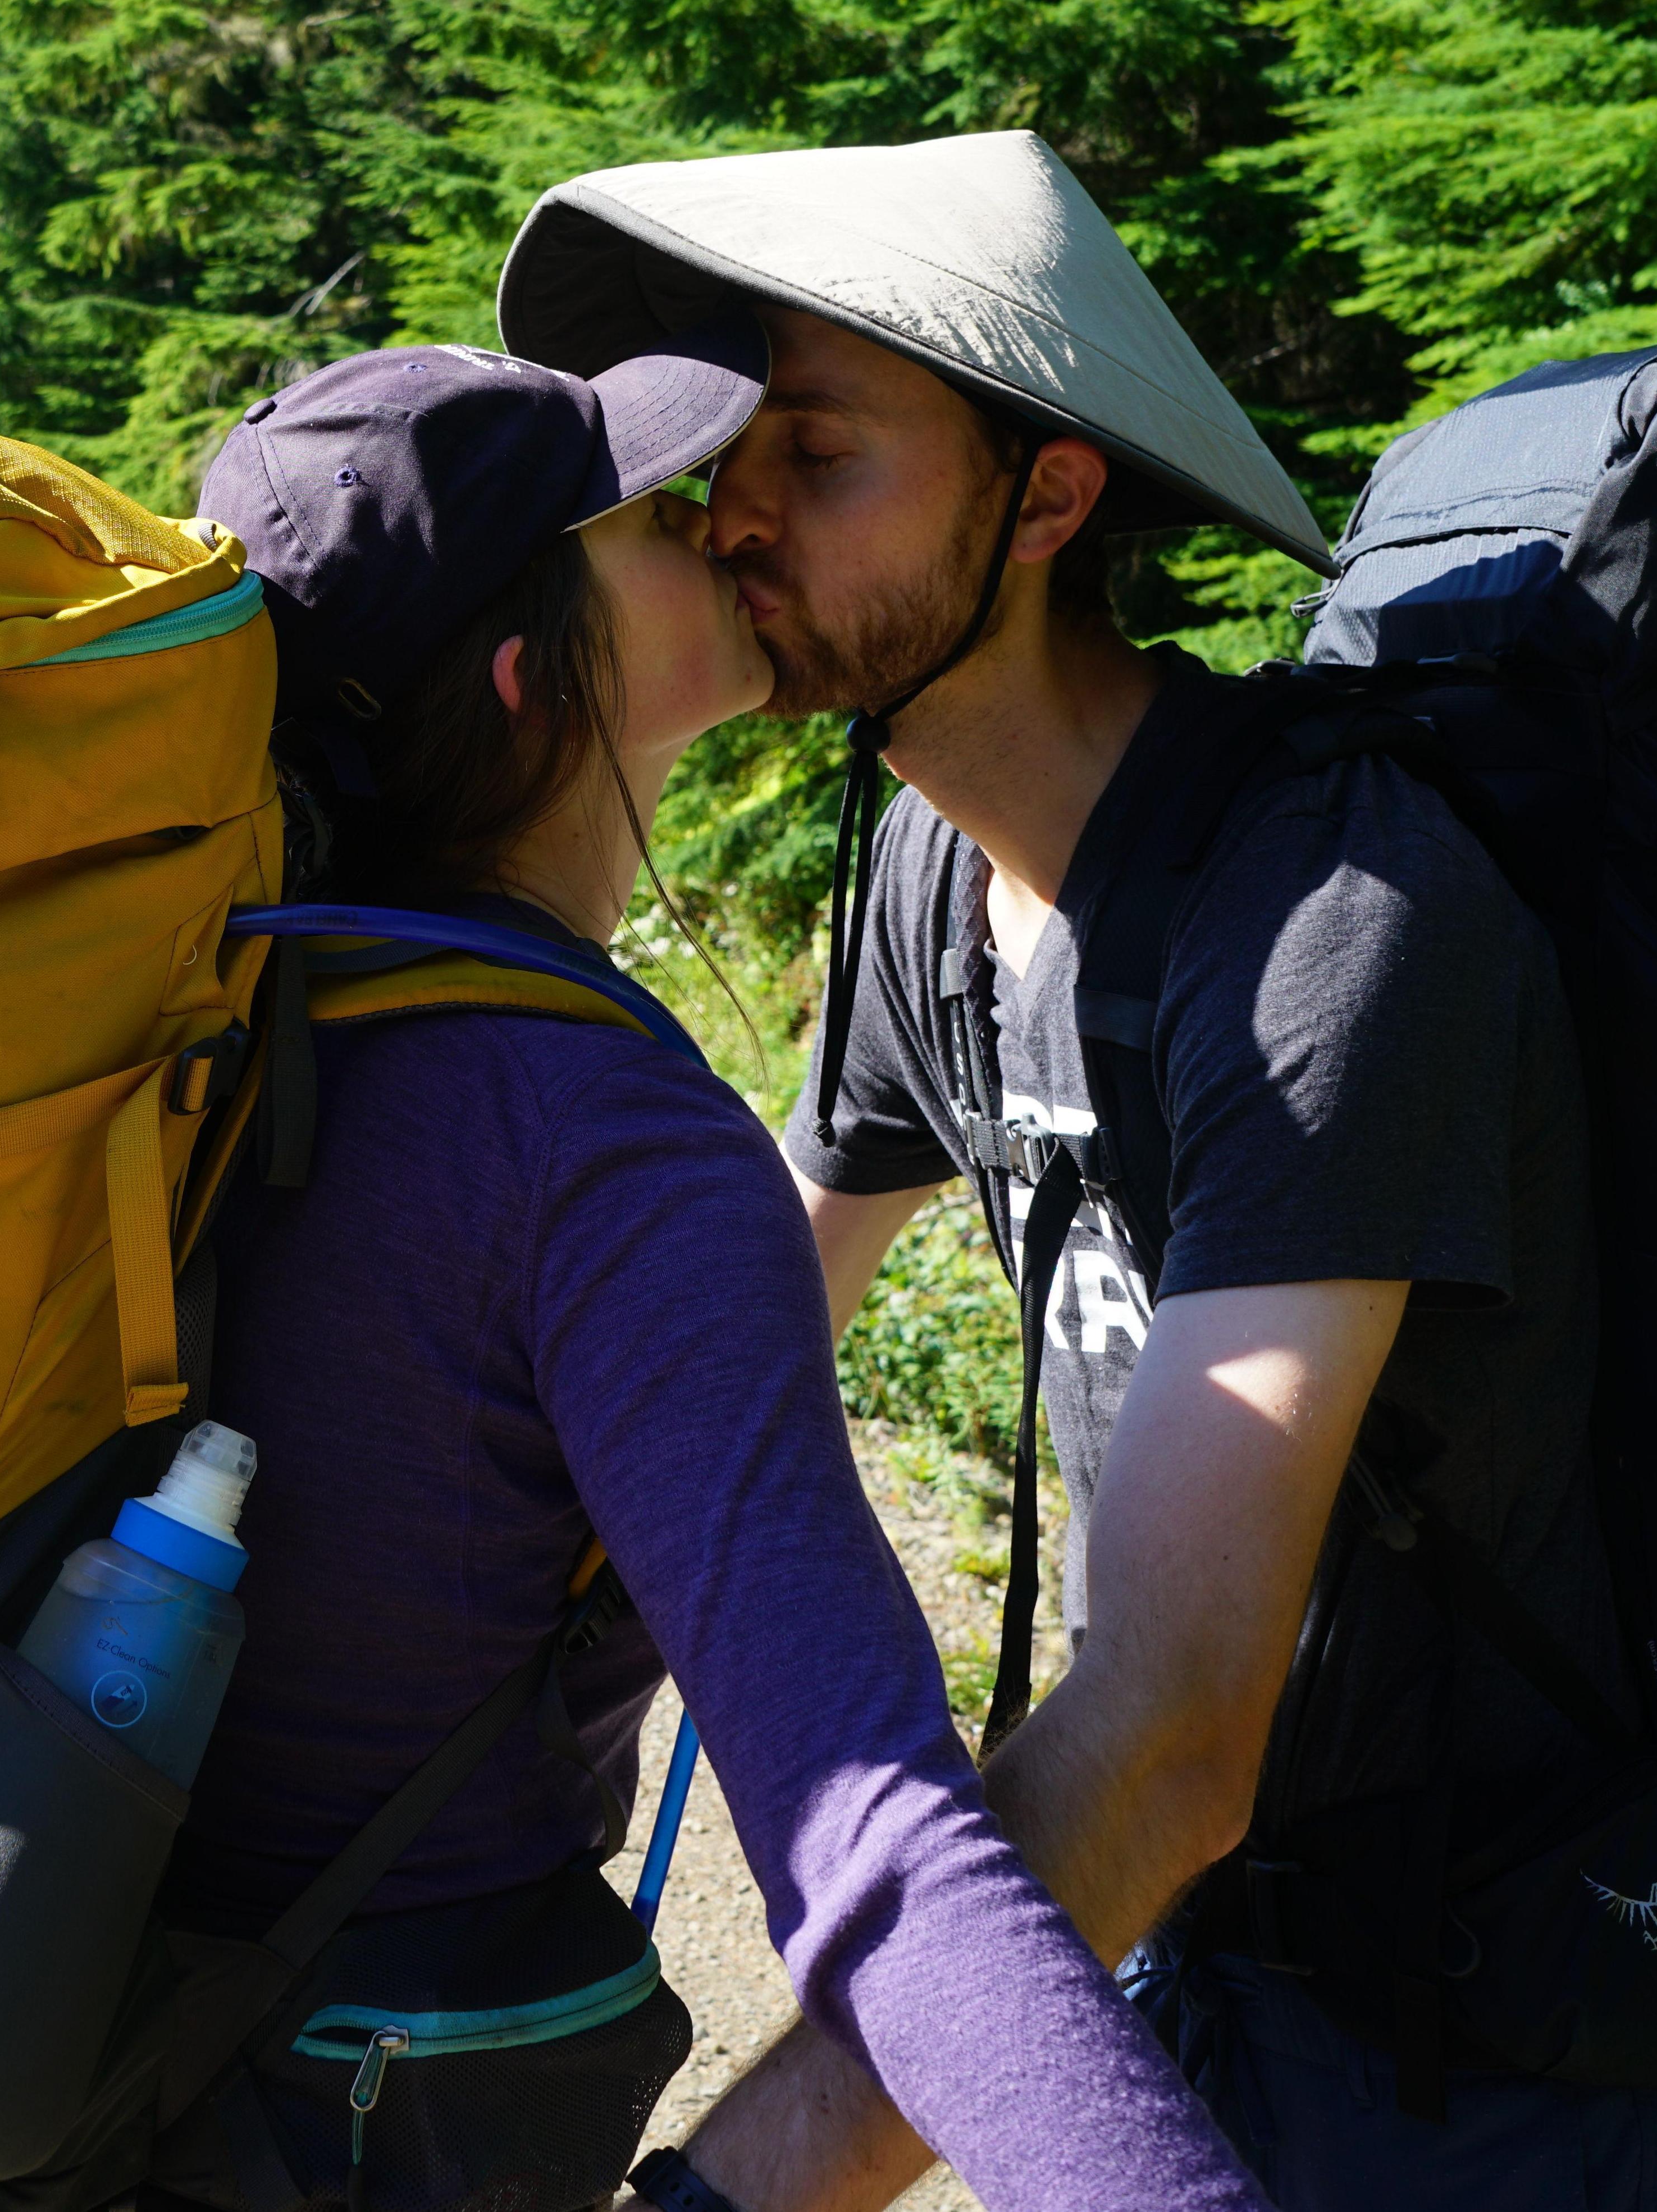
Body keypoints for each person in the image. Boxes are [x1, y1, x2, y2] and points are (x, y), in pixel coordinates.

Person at [491, 130, 1657, 2212]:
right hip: (1226, 1974)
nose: (736, 518)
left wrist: (728, 2195)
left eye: (820, 453)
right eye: (735, 456)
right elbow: (739, 1353)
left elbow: (1169, 1735)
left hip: (1527, 2052)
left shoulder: (1338, 925)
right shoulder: (925, 870)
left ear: (1048, 499)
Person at [172, 337, 1267, 2212]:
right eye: (648, 516)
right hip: (357, 2124)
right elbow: (883, 1856)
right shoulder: (594, 1136)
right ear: (531, 683)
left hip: (86, 2062)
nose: (721, 520)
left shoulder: (233, 1010)